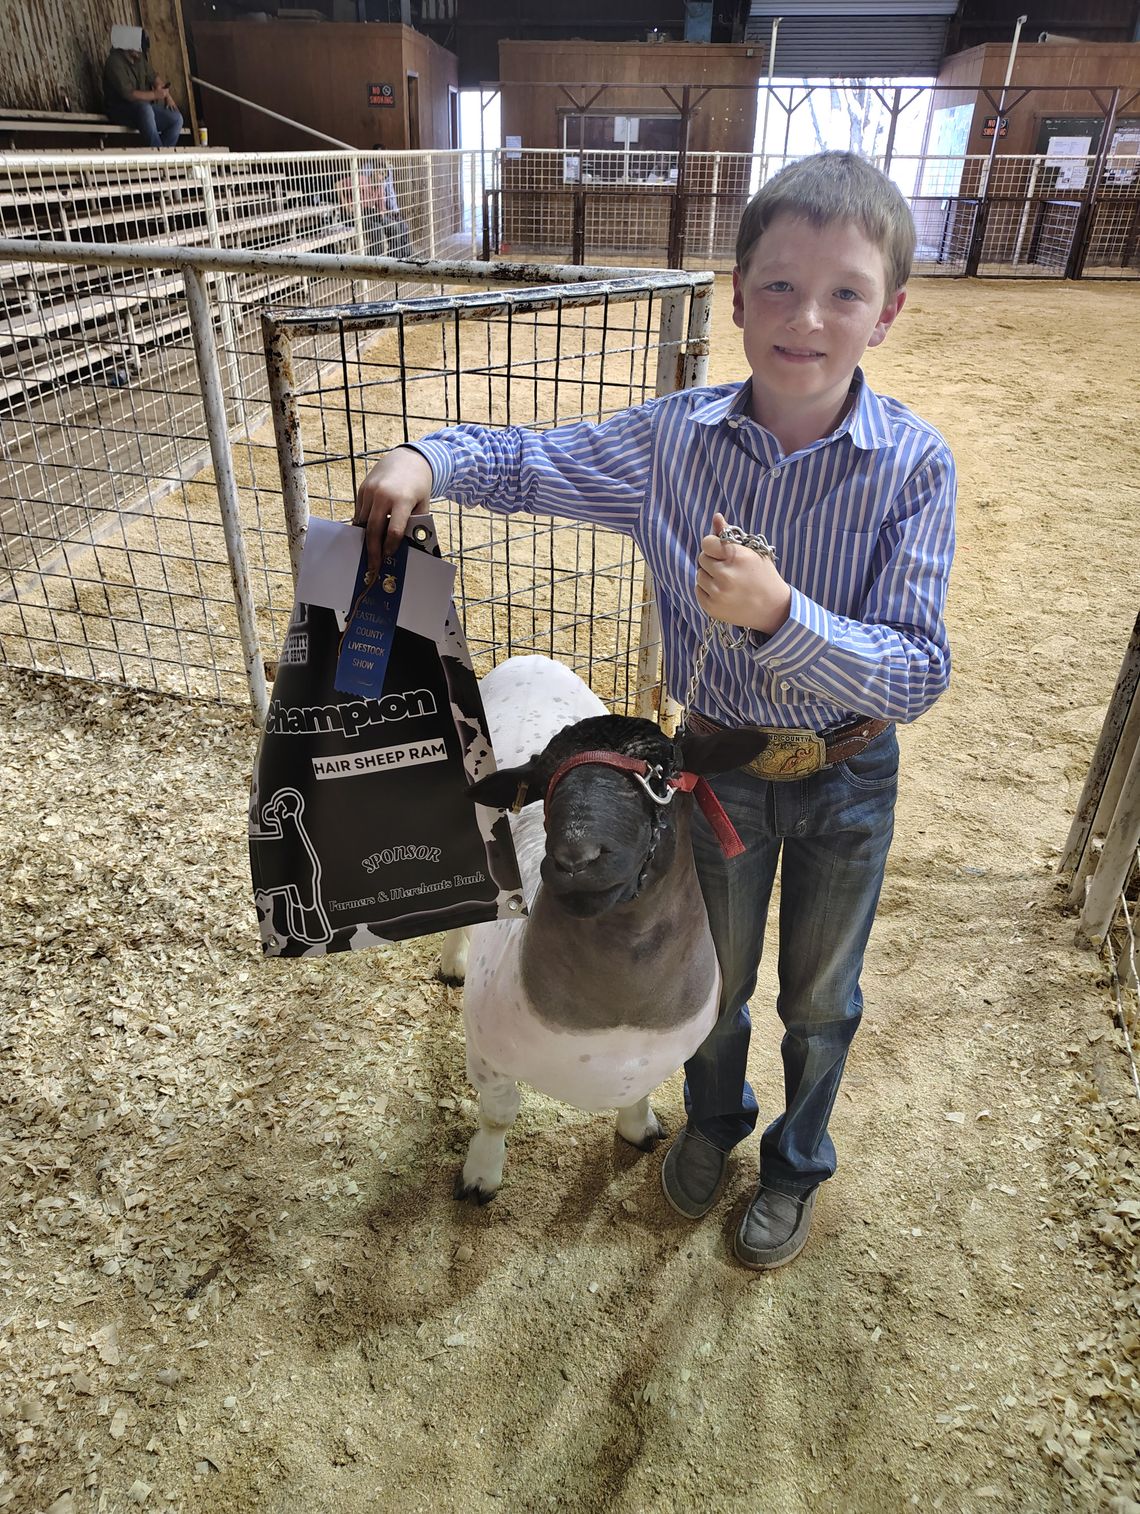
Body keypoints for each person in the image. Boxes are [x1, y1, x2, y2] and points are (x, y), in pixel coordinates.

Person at [352, 152, 956, 1270]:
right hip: (714, 768)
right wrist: (424, 455)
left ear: (889, 313)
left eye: (843, 293)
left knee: (821, 995)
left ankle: (794, 1161)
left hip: (847, 775)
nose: (805, 317)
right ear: (735, 297)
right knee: (702, 976)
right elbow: (533, 461)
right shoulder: (674, 441)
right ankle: (712, 1121)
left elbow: (919, 670)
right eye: (777, 285)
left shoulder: (914, 468)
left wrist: (784, 618)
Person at [103, 27, 183, 149]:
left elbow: (154, 77)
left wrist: (167, 96)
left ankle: (162, 156)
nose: (141, 52)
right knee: (146, 109)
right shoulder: (114, 62)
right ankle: (160, 158)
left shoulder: (139, 60)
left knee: (176, 119)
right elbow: (128, 94)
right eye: (139, 49)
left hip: (143, 110)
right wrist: (156, 95)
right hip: (120, 110)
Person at [337, 149, 412, 259]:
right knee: (377, 229)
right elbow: (338, 184)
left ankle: (394, 261)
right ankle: (374, 263)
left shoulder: (380, 186)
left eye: (384, 176)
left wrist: (384, 213)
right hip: (355, 214)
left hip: (370, 212)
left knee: (394, 226)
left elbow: (381, 207)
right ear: (374, 172)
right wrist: (345, 205)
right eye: (380, 174)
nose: (382, 178)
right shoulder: (361, 179)